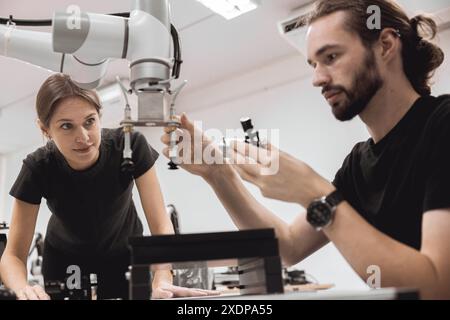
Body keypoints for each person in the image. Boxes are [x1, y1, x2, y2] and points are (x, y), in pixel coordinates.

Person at [161, 0, 450, 299]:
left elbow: (437, 287)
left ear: (386, 45)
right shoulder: (358, 163)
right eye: (313, 64)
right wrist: (218, 174)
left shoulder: (442, 125)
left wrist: (315, 193)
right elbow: (288, 247)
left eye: (331, 57)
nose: (318, 79)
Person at [0, 74, 217, 300]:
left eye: (89, 121)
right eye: (67, 126)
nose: (83, 137)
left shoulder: (130, 146)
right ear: (45, 129)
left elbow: (161, 224)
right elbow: (13, 254)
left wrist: (163, 274)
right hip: (65, 261)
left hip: (125, 255)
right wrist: (22, 288)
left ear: (99, 116)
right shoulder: (37, 167)